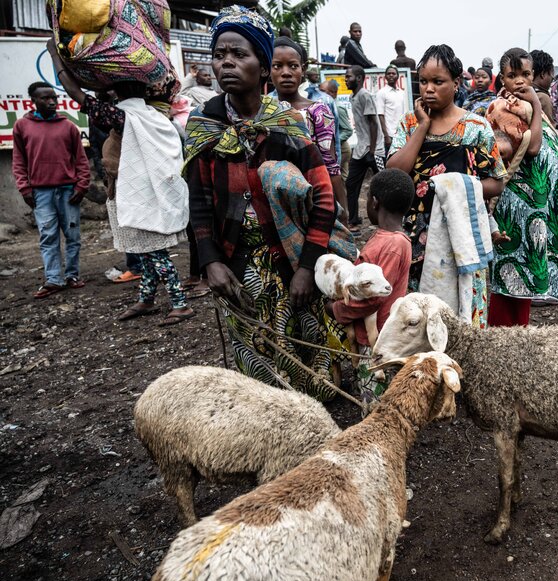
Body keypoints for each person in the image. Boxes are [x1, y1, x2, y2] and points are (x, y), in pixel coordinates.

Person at [184, 5, 345, 399]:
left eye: (240, 54)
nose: (227, 63)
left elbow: (323, 197)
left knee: (309, 350)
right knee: (256, 361)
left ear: (262, 62)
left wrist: (308, 268)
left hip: (291, 255)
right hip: (236, 261)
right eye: (220, 54)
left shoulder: (289, 124)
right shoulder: (202, 124)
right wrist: (210, 262)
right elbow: (199, 201)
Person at [48, 44, 195, 325]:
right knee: (146, 253)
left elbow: (78, 97)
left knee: (155, 253)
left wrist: (56, 56)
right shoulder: (152, 116)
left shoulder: (126, 117)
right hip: (144, 192)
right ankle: (146, 299)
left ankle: (180, 303)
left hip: (141, 196)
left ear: (116, 91)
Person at [386, 44, 506, 327]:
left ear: (455, 83)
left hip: (461, 233)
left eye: (438, 82)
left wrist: (454, 186)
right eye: (423, 82)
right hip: (416, 234)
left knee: (460, 311)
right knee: (417, 314)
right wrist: (423, 126)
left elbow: (496, 183)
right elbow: (394, 175)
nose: (429, 89)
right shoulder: (410, 123)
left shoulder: (476, 127)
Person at [485, 48, 558, 327]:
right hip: (515, 207)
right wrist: (538, 107)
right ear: (501, 79)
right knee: (510, 275)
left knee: (523, 276)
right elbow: (533, 147)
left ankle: (518, 334)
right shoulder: (503, 107)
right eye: (512, 75)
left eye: (525, 74)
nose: (520, 81)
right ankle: (502, 339)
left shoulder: (525, 104)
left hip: (531, 208)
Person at [327, 168, 413, 404]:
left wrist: (336, 309)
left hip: (376, 339)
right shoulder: (395, 240)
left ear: (374, 202)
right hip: (384, 334)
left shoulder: (390, 245)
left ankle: (377, 431)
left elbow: (374, 299)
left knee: (375, 397)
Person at [13, 81, 91, 299]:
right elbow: (18, 161)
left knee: (72, 235)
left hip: (68, 191)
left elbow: (81, 160)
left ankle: (72, 275)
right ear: (33, 101)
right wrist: (24, 188)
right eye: (45, 98)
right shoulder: (22, 126)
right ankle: (53, 279)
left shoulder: (68, 126)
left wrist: (82, 185)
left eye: (53, 98)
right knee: (48, 236)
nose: (51, 102)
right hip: (41, 192)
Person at [272, 37, 349, 221]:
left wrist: (343, 209)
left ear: (303, 69)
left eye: (293, 66)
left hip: (312, 200)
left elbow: (330, 164)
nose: (286, 73)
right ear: (267, 69)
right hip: (272, 204)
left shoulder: (317, 111)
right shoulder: (262, 112)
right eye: (277, 66)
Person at [345, 64, 383, 231]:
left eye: (349, 77)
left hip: (373, 149)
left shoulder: (365, 95)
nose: (346, 80)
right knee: (351, 185)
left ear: (359, 78)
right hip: (360, 150)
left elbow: (374, 123)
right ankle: (353, 220)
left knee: (385, 183)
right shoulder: (353, 97)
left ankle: (393, 219)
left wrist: (373, 151)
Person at [321, 79, 353, 181]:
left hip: (341, 149)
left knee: (338, 178)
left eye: (323, 92)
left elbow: (348, 130)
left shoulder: (338, 108)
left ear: (333, 93)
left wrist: (333, 140)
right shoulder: (325, 105)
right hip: (335, 148)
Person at [376, 64, 409, 154]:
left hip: (401, 134)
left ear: (397, 76)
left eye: (393, 73)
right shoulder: (381, 93)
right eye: (389, 73)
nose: (391, 75)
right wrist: (386, 136)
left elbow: (405, 114)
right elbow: (380, 115)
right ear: (385, 76)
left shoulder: (401, 93)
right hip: (389, 135)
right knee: (391, 162)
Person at [530, 49, 556, 120]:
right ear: (543, 74)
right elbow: (548, 129)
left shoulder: (522, 92)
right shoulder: (543, 98)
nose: (552, 77)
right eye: (551, 73)